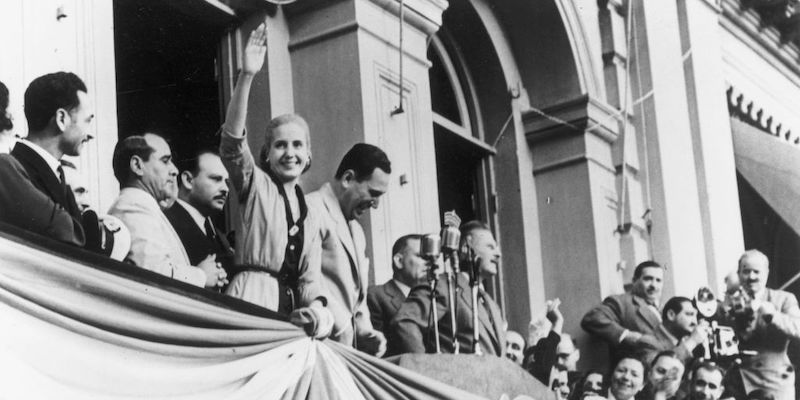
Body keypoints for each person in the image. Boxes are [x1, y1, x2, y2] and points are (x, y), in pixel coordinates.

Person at [218, 23, 330, 338]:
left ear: (308, 155)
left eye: (297, 145)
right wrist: (247, 75)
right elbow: (232, 143)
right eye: (280, 145)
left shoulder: (312, 212)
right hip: (251, 300)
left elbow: (310, 279)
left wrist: (318, 310)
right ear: (266, 154)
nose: (289, 153)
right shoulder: (255, 185)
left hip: (292, 319)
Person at [108, 134, 225, 289]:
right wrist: (202, 275)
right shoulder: (133, 207)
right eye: (165, 161)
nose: (175, 170)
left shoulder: (142, 207)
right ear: (137, 165)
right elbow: (152, 273)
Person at [307, 143, 391, 355]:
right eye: (373, 193)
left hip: (344, 351)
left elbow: (356, 296)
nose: (376, 204)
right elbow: (308, 280)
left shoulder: (356, 230)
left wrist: (365, 331)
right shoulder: (312, 209)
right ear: (347, 179)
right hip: (320, 345)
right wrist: (344, 327)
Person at [391, 220, 507, 357]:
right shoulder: (443, 286)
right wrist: (425, 369)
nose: (498, 254)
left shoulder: (491, 304)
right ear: (466, 248)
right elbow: (405, 323)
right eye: (490, 247)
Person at [0, 74, 91, 246]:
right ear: (61, 119)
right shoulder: (10, 170)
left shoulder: (58, 173)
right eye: (86, 121)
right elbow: (71, 235)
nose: (89, 134)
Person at [723, 250, 800, 400]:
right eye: (746, 272)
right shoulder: (731, 301)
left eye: (756, 272)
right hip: (738, 382)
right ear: (739, 274)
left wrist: (774, 316)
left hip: (773, 381)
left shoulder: (784, 299)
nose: (751, 277)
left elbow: (798, 329)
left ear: (766, 273)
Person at [165, 150, 235, 289]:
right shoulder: (167, 223)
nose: (225, 189)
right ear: (188, 180)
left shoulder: (216, 233)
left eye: (226, 182)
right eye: (216, 179)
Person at [582, 261, 666, 364]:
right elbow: (592, 318)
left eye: (658, 280)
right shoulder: (621, 302)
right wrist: (626, 335)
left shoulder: (664, 309)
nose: (654, 285)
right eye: (648, 279)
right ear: (634, 281)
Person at [367, 234, 426, 334]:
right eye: (421, 256)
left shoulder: (432, 298)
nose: (429, 263)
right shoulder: (375, 296)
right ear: (399, 261)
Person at [650, 296, 708, 364]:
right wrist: (692, 341)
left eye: (696, 316)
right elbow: (664, 367)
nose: (695, 322)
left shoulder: (682, 342)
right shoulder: (648, 342)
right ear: (671, 315)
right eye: (689, 314)